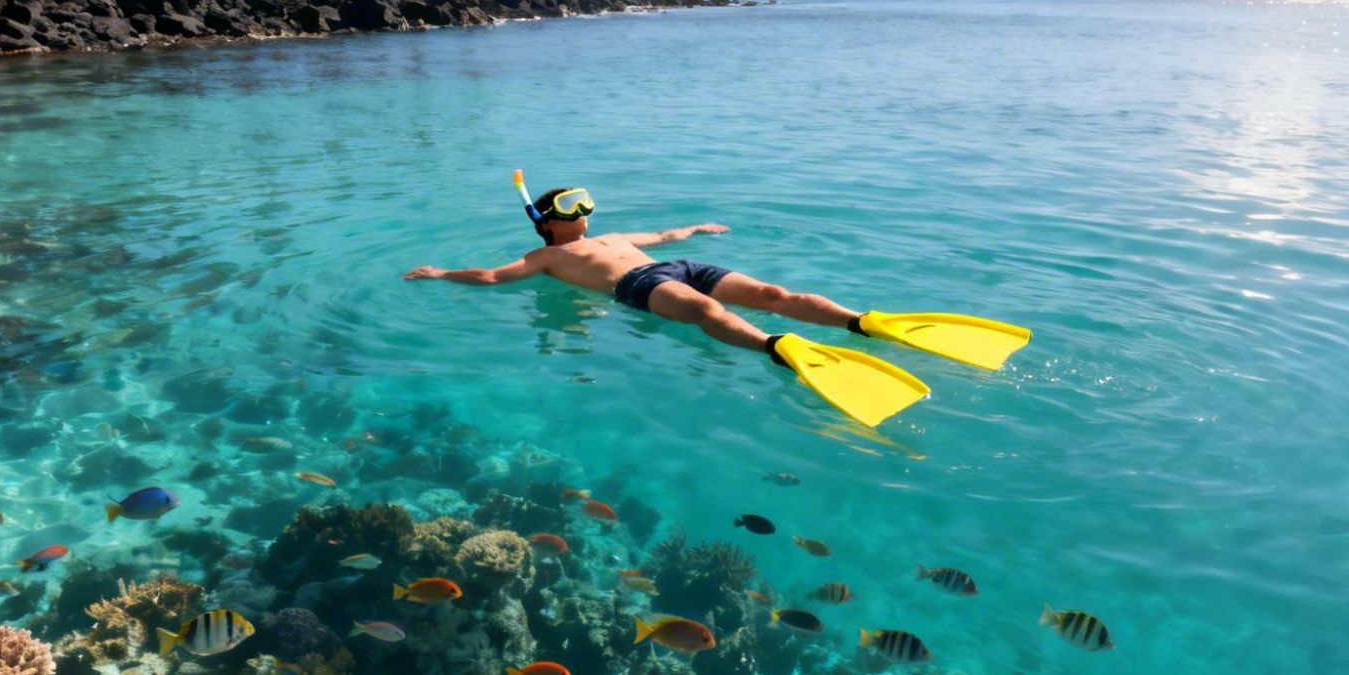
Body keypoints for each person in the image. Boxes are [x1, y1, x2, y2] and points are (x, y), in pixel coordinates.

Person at [403, 173, 1030, 426]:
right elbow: (491, 278)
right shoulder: (545, 256)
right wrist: (438, 273)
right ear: (544, 220)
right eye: (571, 207)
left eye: (587, 203)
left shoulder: (614, 234)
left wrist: (695, 230)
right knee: (708, 315)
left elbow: (663, 235)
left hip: (672, 263)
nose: (586, 213)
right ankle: (778, 347)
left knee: (773, 291)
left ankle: (861, 322)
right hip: (638, 287)